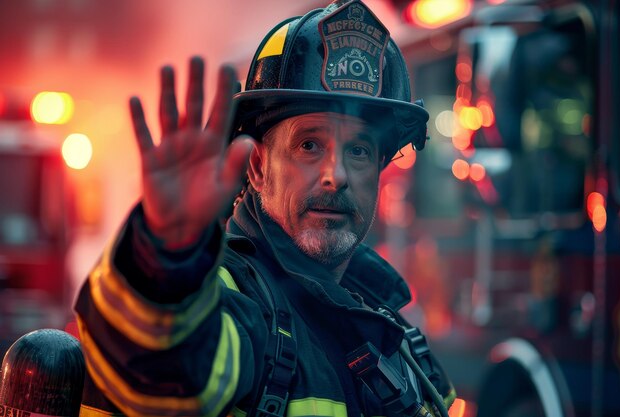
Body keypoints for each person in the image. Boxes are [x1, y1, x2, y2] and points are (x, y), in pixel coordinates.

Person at [74, 1, 455, 416]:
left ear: (380, 171)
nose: (336, 175)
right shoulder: (230, 301)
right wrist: (164, 257)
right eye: (309, 145)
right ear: (256, 167)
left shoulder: (397, 336)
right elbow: (166, 374)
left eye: (359, 150)